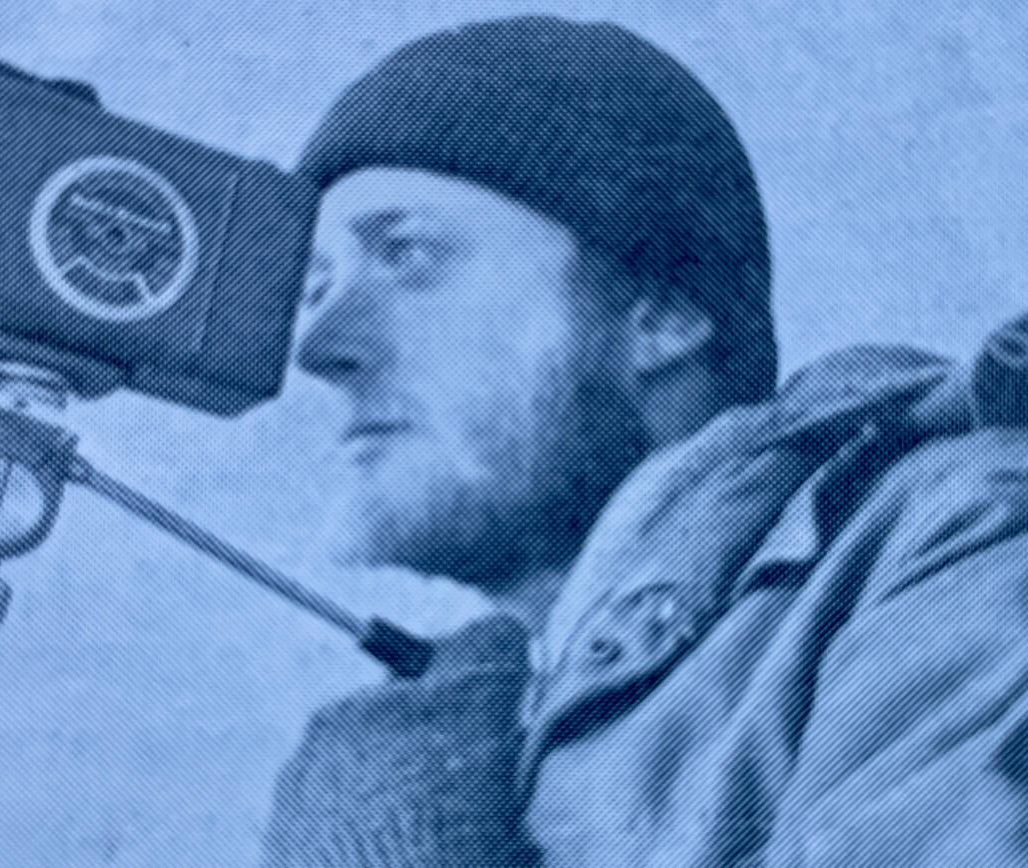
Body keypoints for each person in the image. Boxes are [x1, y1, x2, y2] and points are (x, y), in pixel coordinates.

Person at [258, 16, 1028, 868]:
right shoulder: (486, 723)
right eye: (316, 285)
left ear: (662, 315)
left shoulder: (961, 538)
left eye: (408, 255)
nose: (319, 344)